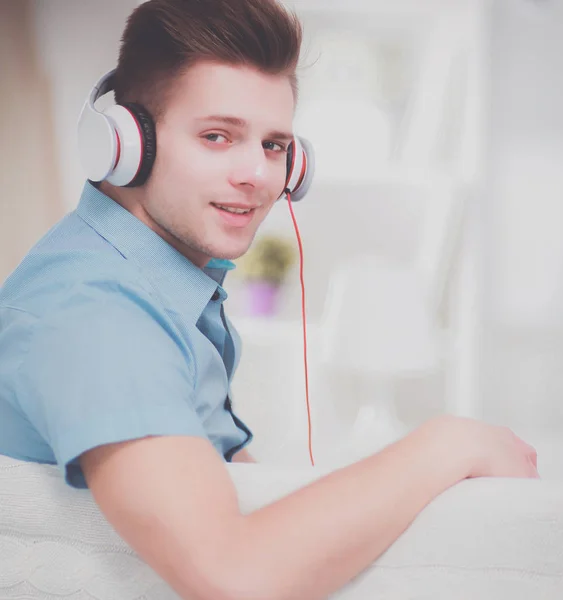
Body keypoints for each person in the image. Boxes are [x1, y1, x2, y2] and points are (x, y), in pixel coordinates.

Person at [0, 0, 539, 598]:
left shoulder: (158, 285)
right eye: (216, 136)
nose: (256, 174)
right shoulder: (95, 314)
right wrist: (446, 444)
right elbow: (234, 577)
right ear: (126, 145)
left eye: (275, 145)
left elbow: (222, 489)